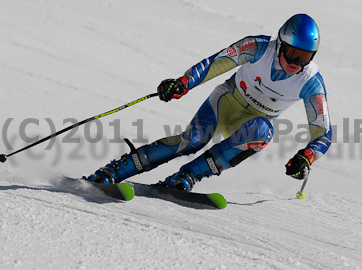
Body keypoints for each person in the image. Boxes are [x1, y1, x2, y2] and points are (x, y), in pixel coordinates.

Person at [87, 14, 332, 191]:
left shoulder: (311, 81)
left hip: (251, 122)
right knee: (192, 141)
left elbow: (323, 132)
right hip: (227, 102)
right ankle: (114, 171)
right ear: (281, 43)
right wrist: (184, 82)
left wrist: (306, 157)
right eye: (292, 54)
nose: (296, 63)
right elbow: (215, 63)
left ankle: (186, 178)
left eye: (305, 58)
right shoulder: (258, 48)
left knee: (262, 133)